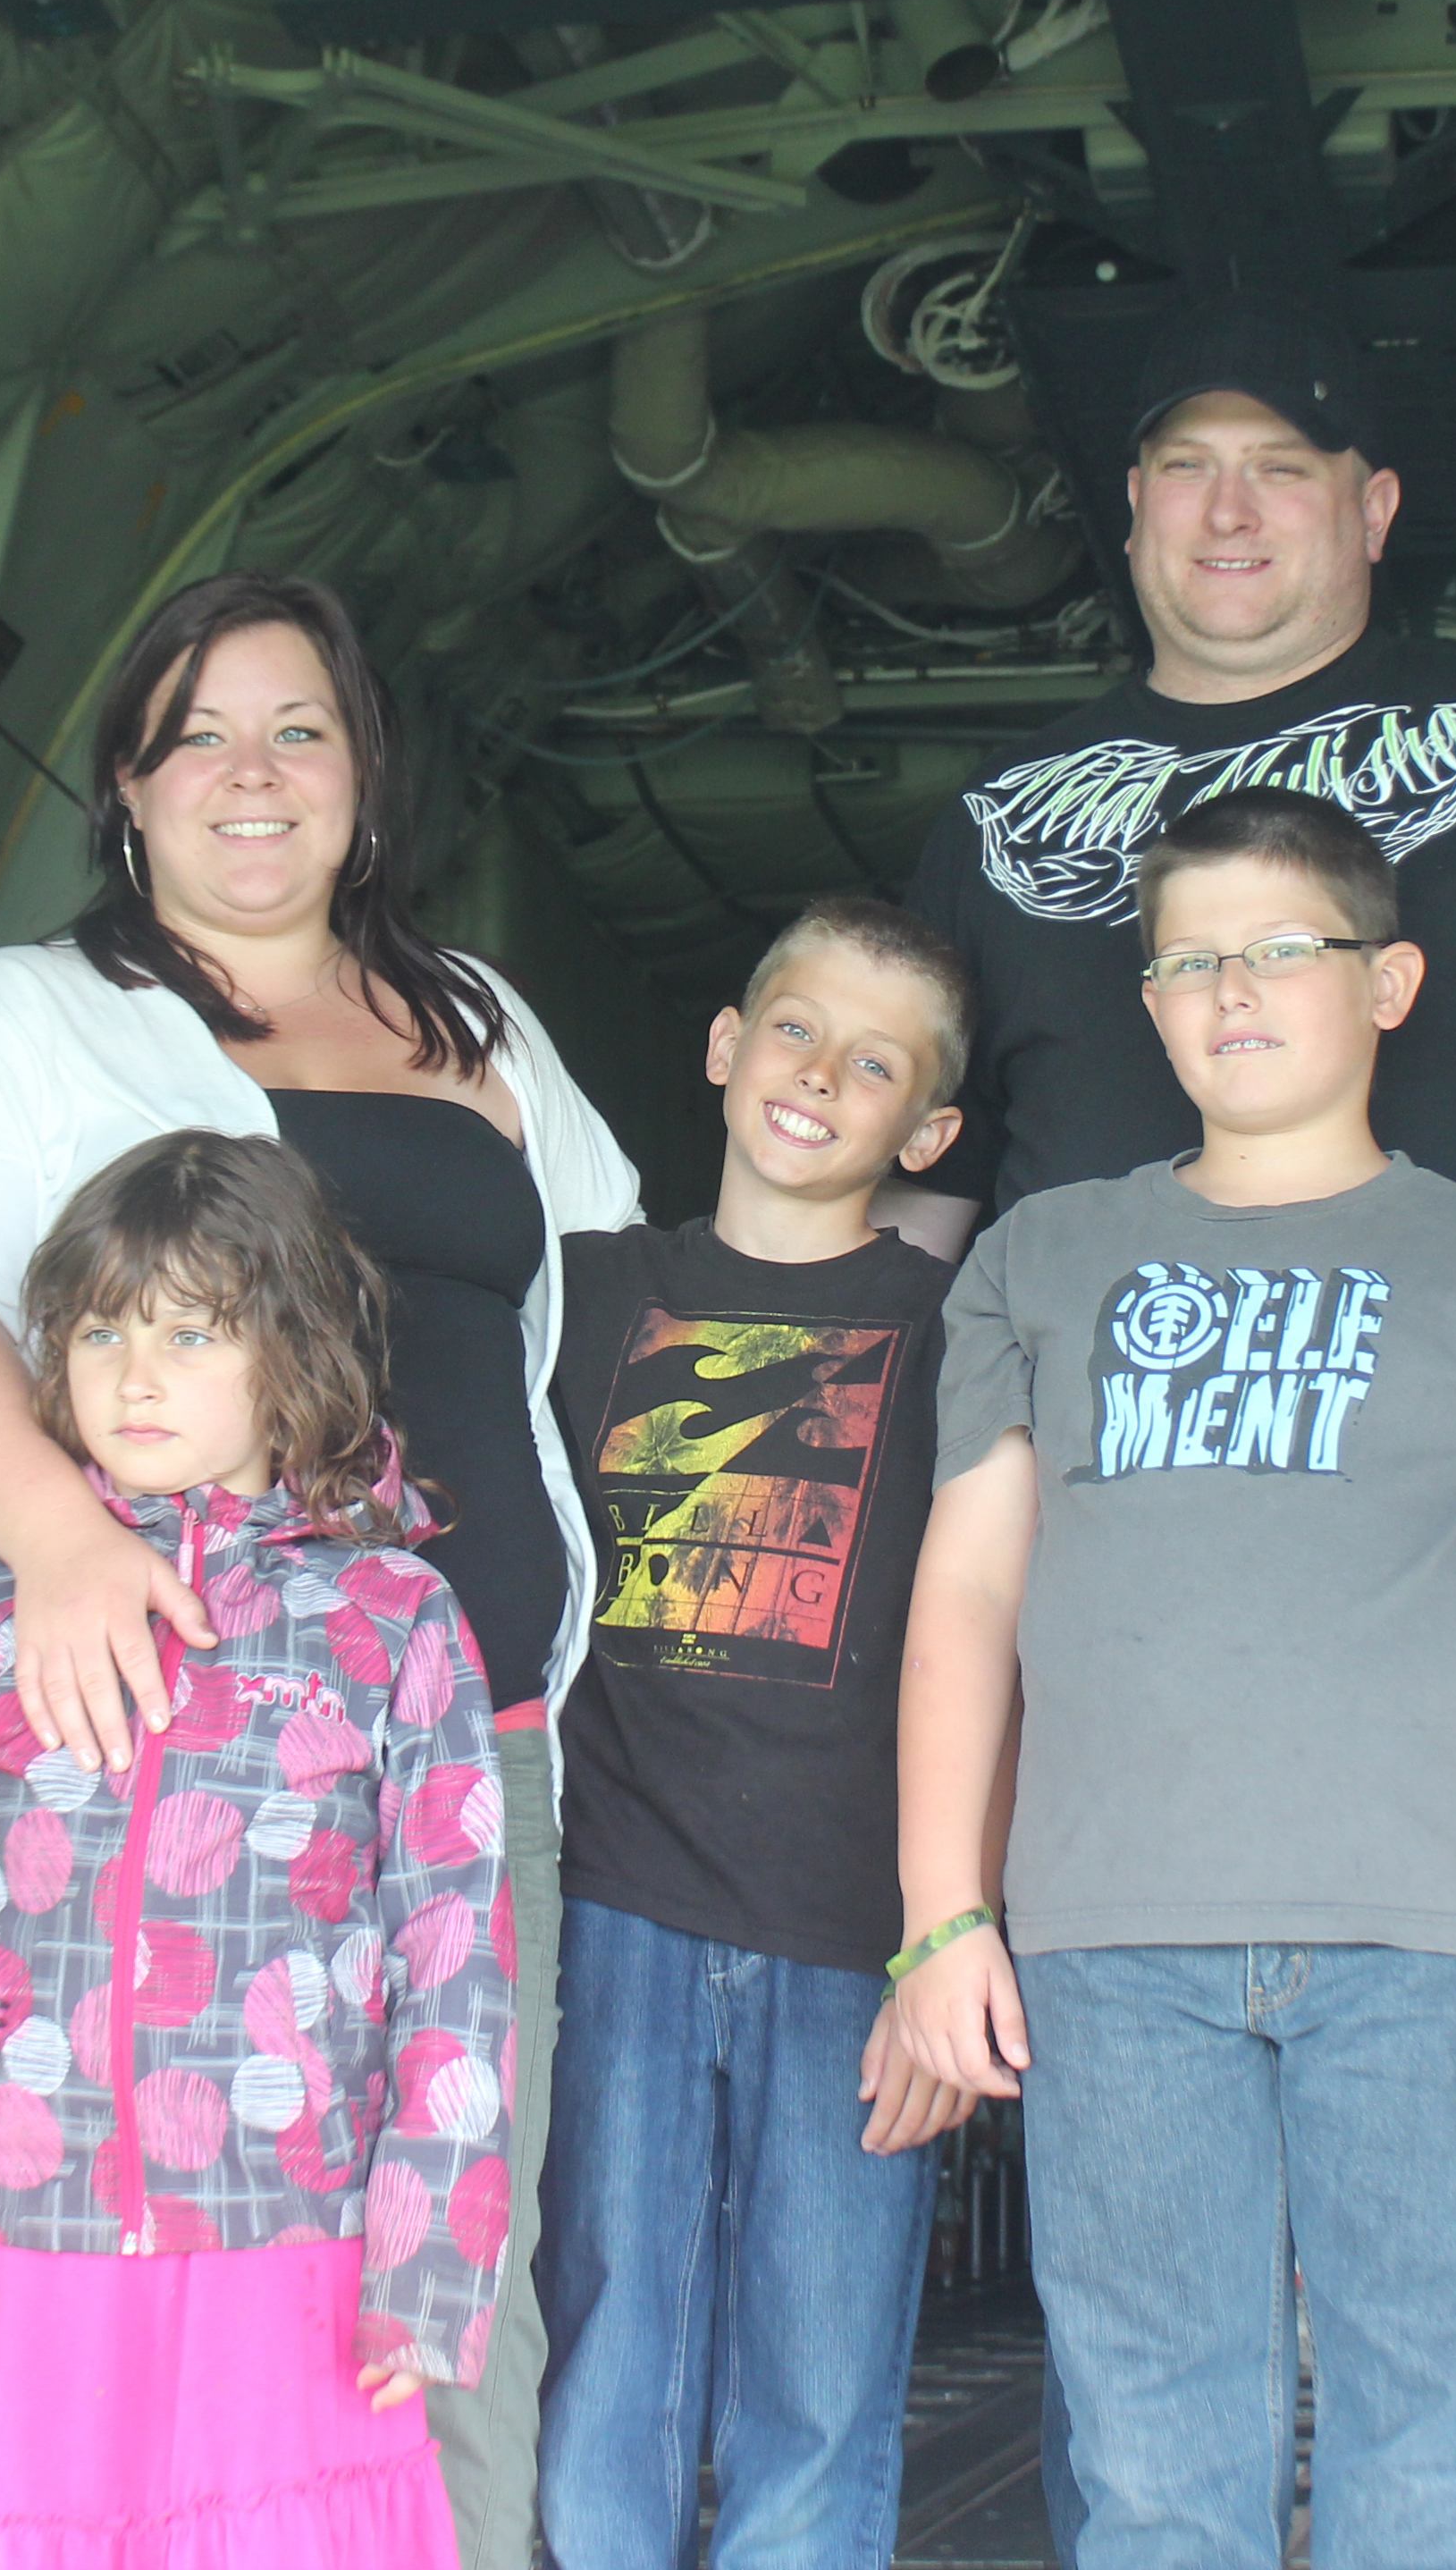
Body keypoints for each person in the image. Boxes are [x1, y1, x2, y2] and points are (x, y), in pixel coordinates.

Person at [888, 291, 1456, 2563]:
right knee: (1187, 2400)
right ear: (1118, 514)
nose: (1224, 509)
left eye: (1278, 468)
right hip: (1124, 1702)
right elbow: (894, 1173)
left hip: (1454, 1557)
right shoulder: (1002, 821)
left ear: (1371, 508)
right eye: (1182, 468)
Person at [0, 571, 643, 2568]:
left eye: (298, 728)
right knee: (126, 2268)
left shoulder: (477, 1019)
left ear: (365, 780)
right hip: (139, 1740)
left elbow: (635, 1289)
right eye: (196, 731)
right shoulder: (31, 1016)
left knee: (452, 2255)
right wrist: (58, 1545)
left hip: (470, 1735)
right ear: (125, 785)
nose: (251, 773)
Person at [886, 788, 1456, 2569]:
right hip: (1111, 1952)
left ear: (1388, 983)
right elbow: (965, 1596)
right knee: (1155, 2472)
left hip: (1437, 1953)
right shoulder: (1039, 1260)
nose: (1232, 991)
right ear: (1148, 1004)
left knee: (1444, 2465)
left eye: (1282, 951)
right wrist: (938, 1916)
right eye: (1191, 961)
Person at [0, 1130, 517, 2570]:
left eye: (193, 1332)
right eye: (101, 1330)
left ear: (294, 1356)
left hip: (299, 2245)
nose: (136, 1376)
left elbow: (456, 1962)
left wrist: (430, 2257)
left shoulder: (389, 1621)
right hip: (36, 2240)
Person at [534, 897, 986, 2570]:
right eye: (789, 1028)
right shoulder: (578, 1300)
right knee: (610, 2354)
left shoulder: (953, 1334)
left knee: (818, 2384)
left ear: (922, 1128)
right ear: (722, 1048)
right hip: (612, 1913)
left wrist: (954, 1940)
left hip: (850, 1941)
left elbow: (999, 1648)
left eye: (871, 1064)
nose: (815, 1075)